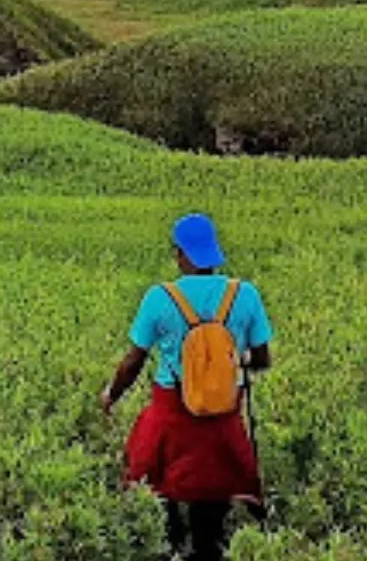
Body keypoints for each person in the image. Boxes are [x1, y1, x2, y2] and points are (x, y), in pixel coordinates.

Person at [99, 214, 272, 561]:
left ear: (180, 254)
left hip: (172, 416)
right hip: (222, 417)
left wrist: (111, 394)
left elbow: (133, 362)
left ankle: (170, 544)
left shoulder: (159, 298)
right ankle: (206, 548)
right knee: (213, 499)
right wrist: (227, 365)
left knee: (156, 483)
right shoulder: (245, 294)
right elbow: (262, 359)